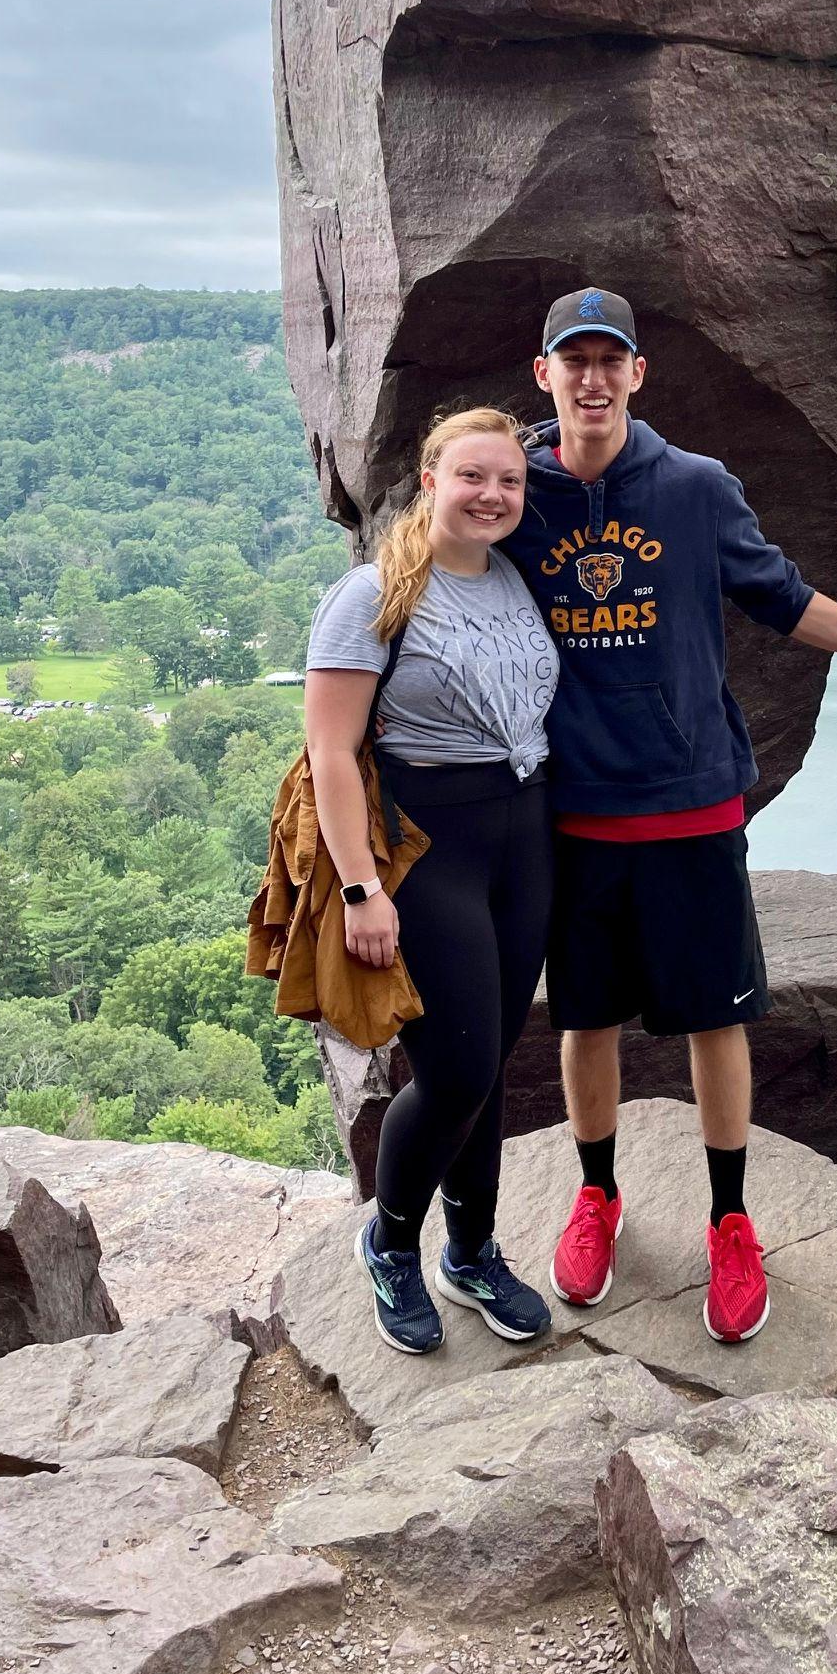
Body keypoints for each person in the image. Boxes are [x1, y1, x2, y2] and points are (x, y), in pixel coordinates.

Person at [501, 287, 837, 1343]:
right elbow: (436, 587)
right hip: (574, 813)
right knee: (585, 1020)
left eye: (612, 359)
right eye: (575, 361)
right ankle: (597, 1196)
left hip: (691, 809)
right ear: (544, 374)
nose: (593, 378)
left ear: (638, 375)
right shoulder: (517, 496)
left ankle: (731, 1222)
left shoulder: (694, 488)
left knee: (717, 1018)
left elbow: (785, 599)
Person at [305, 407, 561, 1355]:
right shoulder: (374, 594)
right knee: (453, 1071)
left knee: (490, 1065)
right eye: (473, 477)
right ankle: (392, 1243)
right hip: (427, 850)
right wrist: (362, 889)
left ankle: (474, 1249)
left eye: (510, 481)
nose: (493, 495)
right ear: (430, 482)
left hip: (525, 839)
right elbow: (331, 751)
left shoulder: (513, 582)